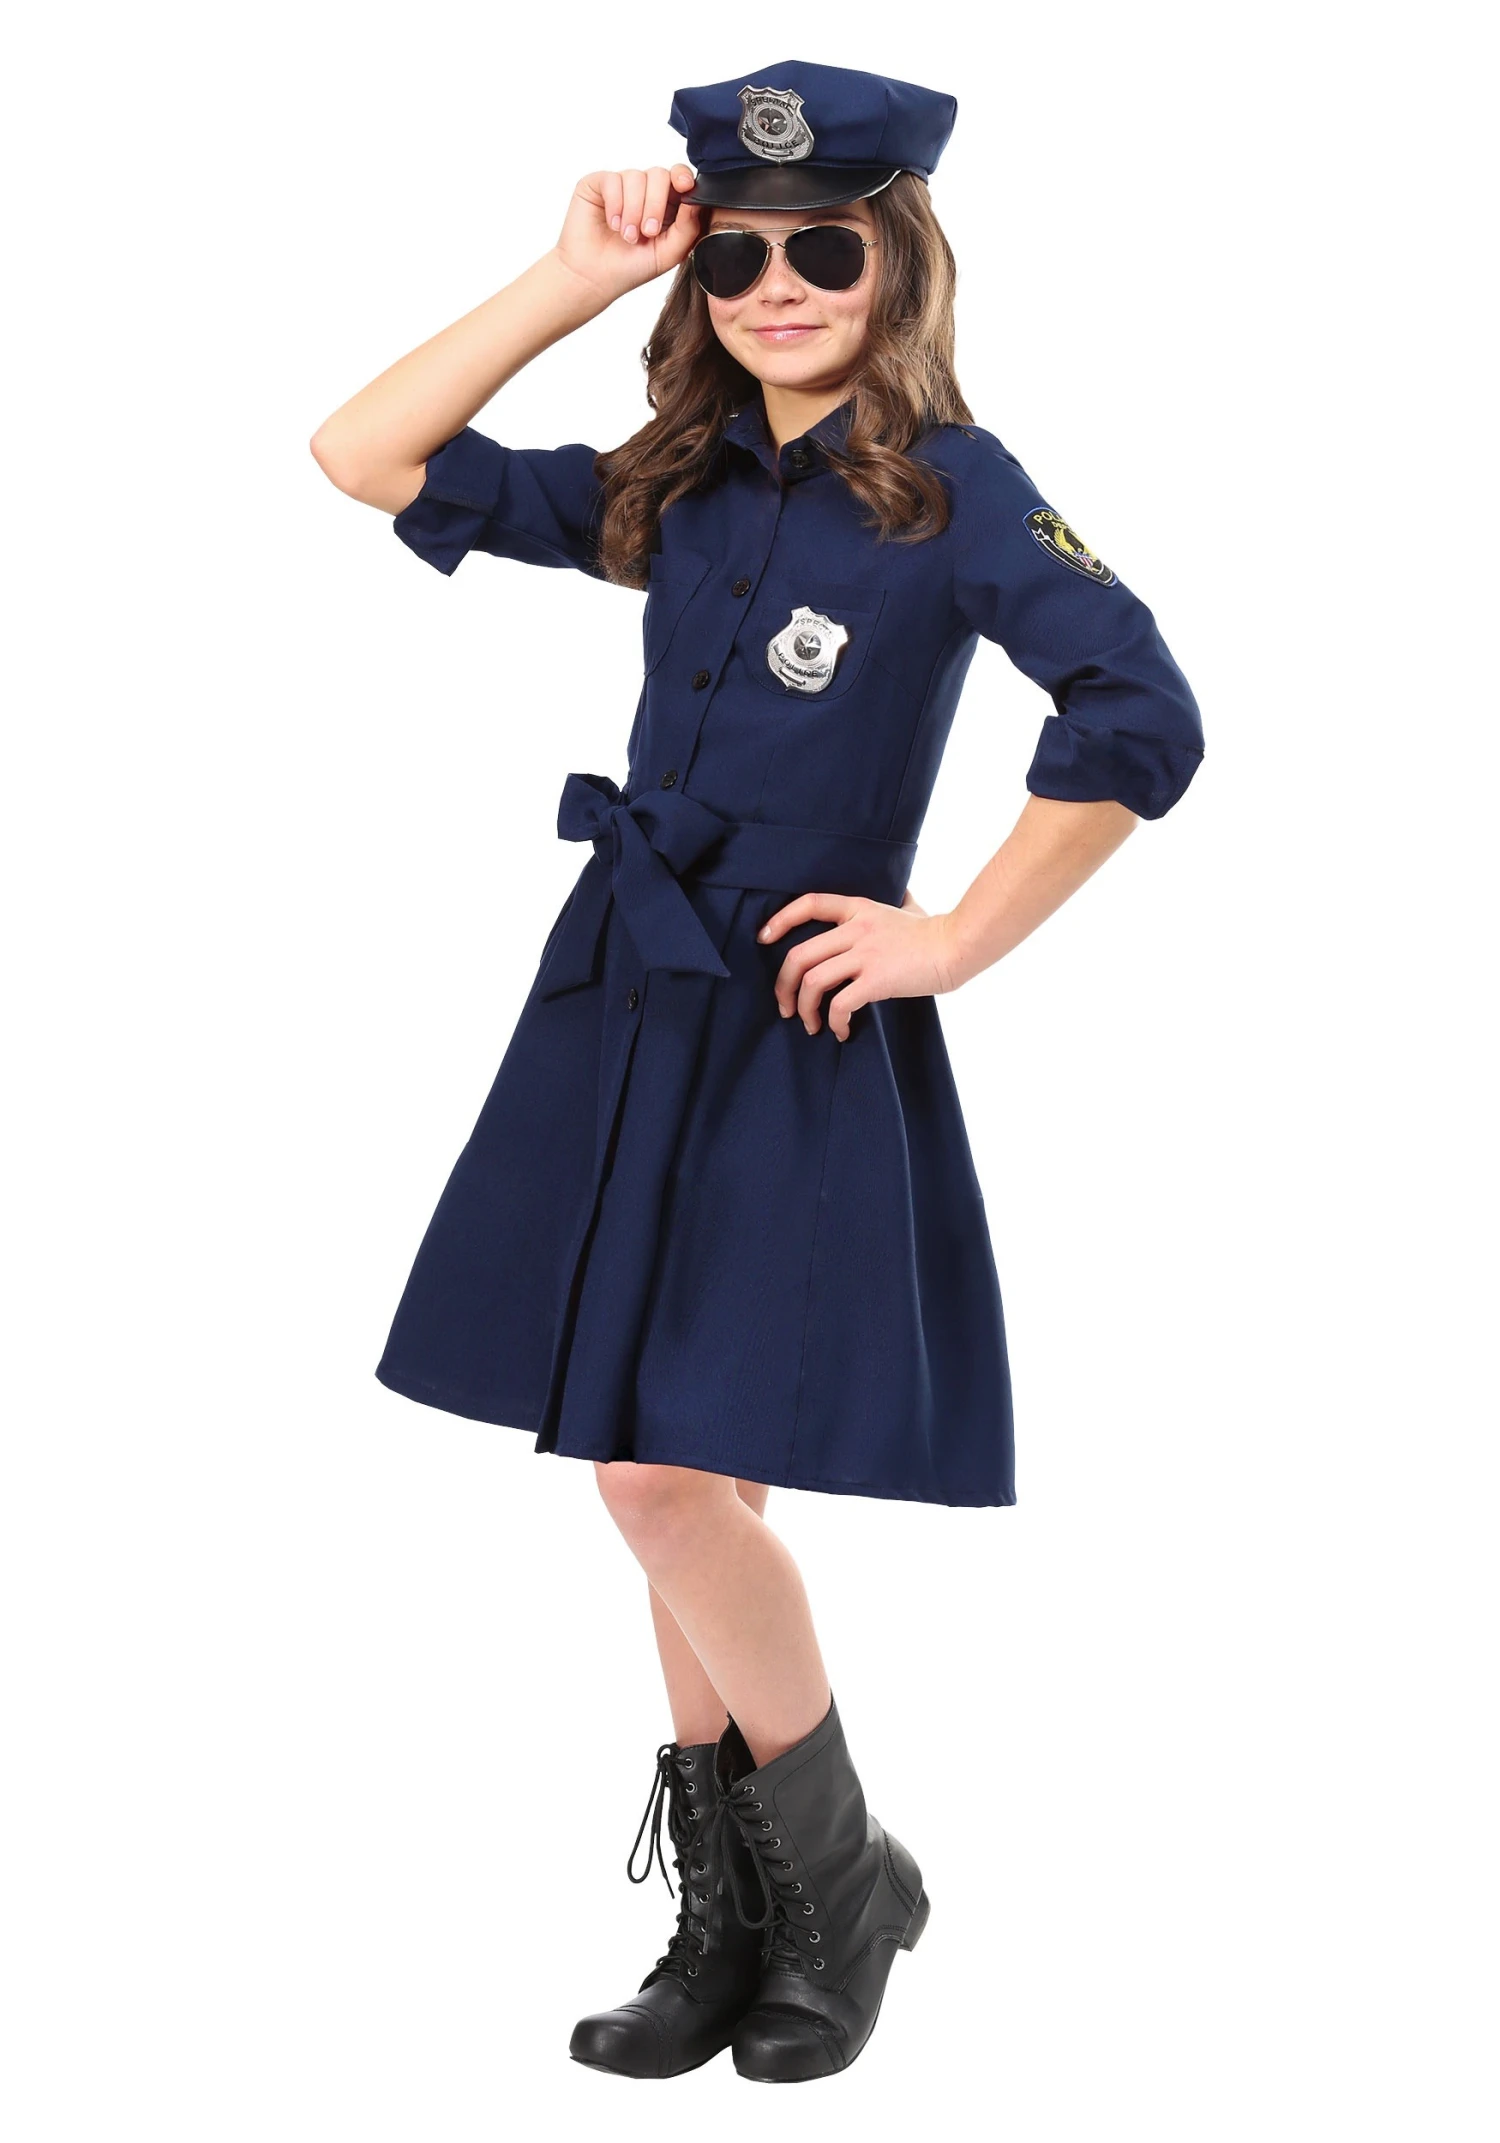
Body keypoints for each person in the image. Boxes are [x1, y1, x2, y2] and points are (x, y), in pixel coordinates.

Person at [309, 58, 1204, 2084]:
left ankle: (843, 1874)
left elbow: (1141, 710)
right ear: (697, 277)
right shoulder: (684, 481)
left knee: (655, 1476)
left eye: (825, 251)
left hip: (792, 1018)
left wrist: (953, 936)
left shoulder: (955, 493)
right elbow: (366, 453)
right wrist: (568, 276)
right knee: (681, 1471)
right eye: (737, 257)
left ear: (900, 266)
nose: (778, 286)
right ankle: (739, 1920)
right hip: (629, 992)